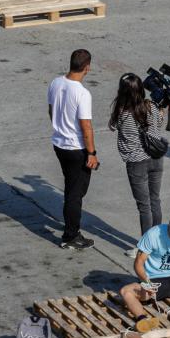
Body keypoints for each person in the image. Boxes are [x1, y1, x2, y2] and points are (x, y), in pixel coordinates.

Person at [47, 50, 98, 250]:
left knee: (74, 188)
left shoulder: (55, 83)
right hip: (76, 148)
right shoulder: (82, 93)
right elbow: (86, 126)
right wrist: (92, 153)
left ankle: (71, 226)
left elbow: (51, 111)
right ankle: (71, 235)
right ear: (87, 67)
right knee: (75, 193)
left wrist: (60, 129)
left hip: (59, 144)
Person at [111, 72, 170, 237]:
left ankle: (146, 246)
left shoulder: (122, 112)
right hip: (156, 158)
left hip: (136, 163)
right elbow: (158, 123)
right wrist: (162, 109)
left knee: (144, 206)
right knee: (155, 201)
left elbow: (113, 126)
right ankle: (157, 240)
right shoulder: (151, 106)